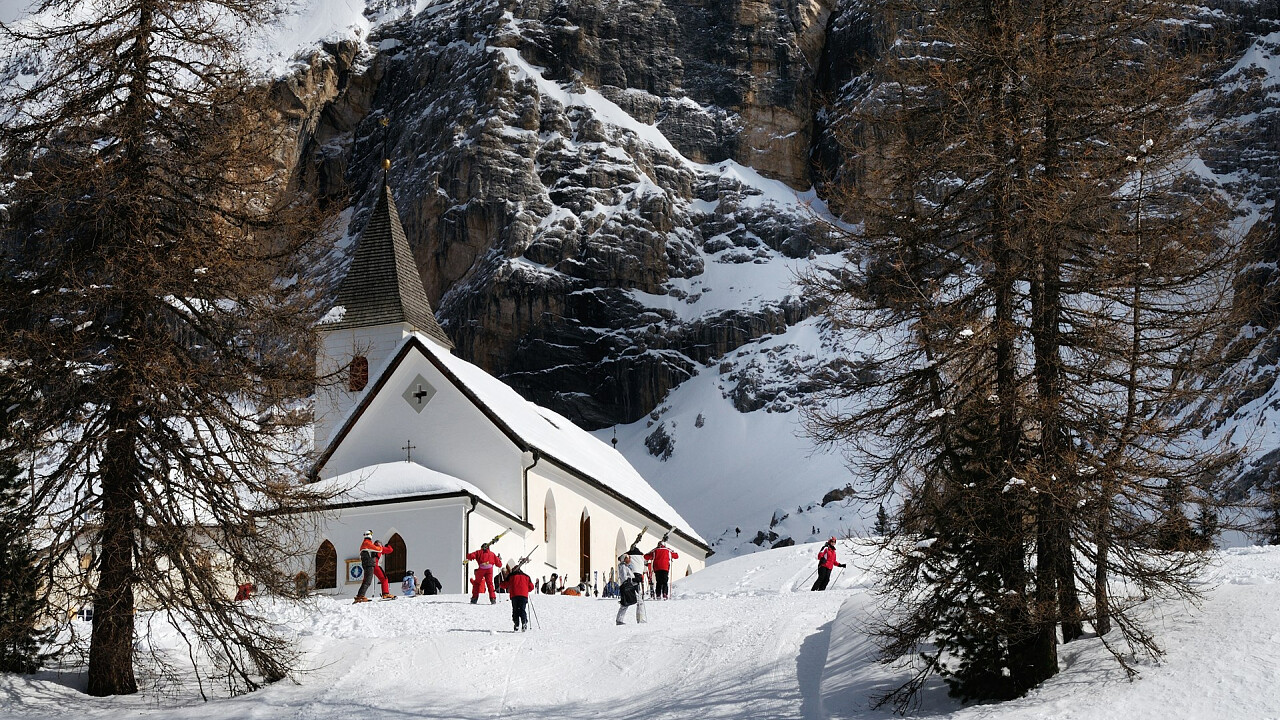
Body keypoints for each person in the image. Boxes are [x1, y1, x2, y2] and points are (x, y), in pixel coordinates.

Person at [355, 530, 395, 603]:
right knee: (383, 578)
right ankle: (385, 593)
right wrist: (385, 546)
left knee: (366, 580)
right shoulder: (368, 544)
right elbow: (388, 550)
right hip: (372, 565)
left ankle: (360, 596)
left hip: (370, 564)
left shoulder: (368, 545)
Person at [499, 565, 535, 631]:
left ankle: (516, 623)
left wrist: (500, 583)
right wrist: (526, 589)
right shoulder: (526, 576)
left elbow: (504, 585)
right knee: (522, 609)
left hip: (514, 595)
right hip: (523, 595)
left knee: (515, 610)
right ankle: (524, 621)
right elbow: (531, 587)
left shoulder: (511, 576)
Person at [619, 550, 647, 623]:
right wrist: (634, 579)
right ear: (624, 559)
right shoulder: (622, 567)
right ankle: (619, 620)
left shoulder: (626, 566)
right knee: (625, 603)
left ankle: (640, 619)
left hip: (631, 586)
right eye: (628, 558)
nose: (630, 559)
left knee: (639, 601)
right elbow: (624, 578)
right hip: (627, 587)